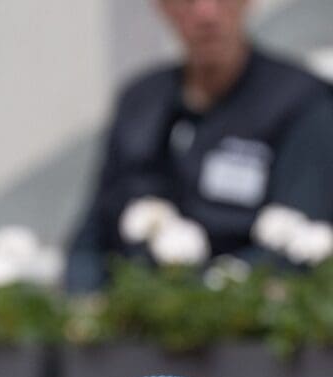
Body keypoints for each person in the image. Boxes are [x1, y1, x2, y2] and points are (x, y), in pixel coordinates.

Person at [66, 0, 333, 293]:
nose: (206, 12)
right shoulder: (140, 102)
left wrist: (193, 302)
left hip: (240, 318)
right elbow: (91, 238)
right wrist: (85, 304)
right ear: (163, 6)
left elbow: (302, 244)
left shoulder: (300, 102)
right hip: (131, 319)